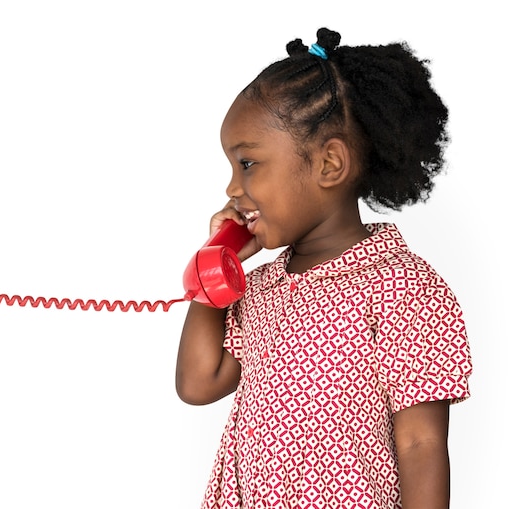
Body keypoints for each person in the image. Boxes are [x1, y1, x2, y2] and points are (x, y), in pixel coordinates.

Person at [175, 27, 473, 509]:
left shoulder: (406, 288)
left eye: (247, 164)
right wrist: (215, 265)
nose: (232, 188)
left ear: (329, 164)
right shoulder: (262, 288)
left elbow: (422, 445)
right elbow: (198, 383)